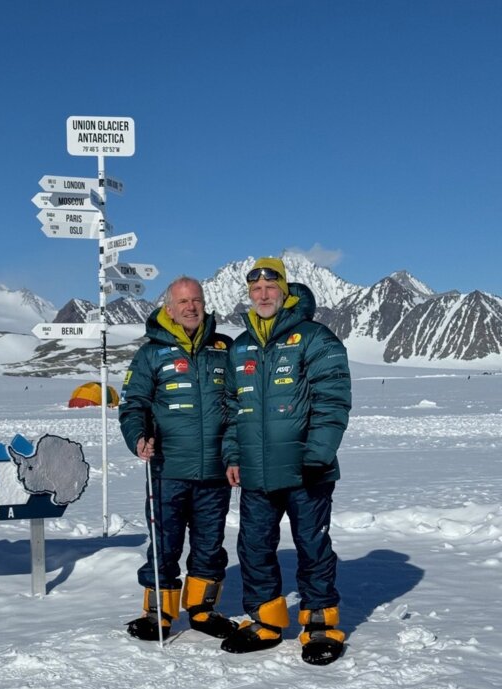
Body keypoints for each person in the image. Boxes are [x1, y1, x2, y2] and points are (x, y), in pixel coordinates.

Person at [221, 257, 351, 665]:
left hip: (305, 470)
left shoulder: (315, 338)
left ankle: (320, 625)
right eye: (256, 289)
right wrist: (232, 455)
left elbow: (332, 402)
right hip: (256, 472)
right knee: (254, 546)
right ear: (249, 294)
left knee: (312, 546)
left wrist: (317, 455)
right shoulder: (240, 345)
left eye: (270, 287)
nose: (263, 294)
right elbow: (230, 408)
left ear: (285, 290)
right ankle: (267, 620)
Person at [119, 276, 234, 640]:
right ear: (168, 308)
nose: (191, 307)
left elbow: (237, 404)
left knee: (209, 544)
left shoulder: (224, 348)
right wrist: (138, 437)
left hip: (215, 470)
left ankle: (202, 609)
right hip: (168, 468)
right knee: (165, 543)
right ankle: (159, 614)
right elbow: (133, 404)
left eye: (196, 300)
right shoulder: (151, 353)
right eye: (183, 302)